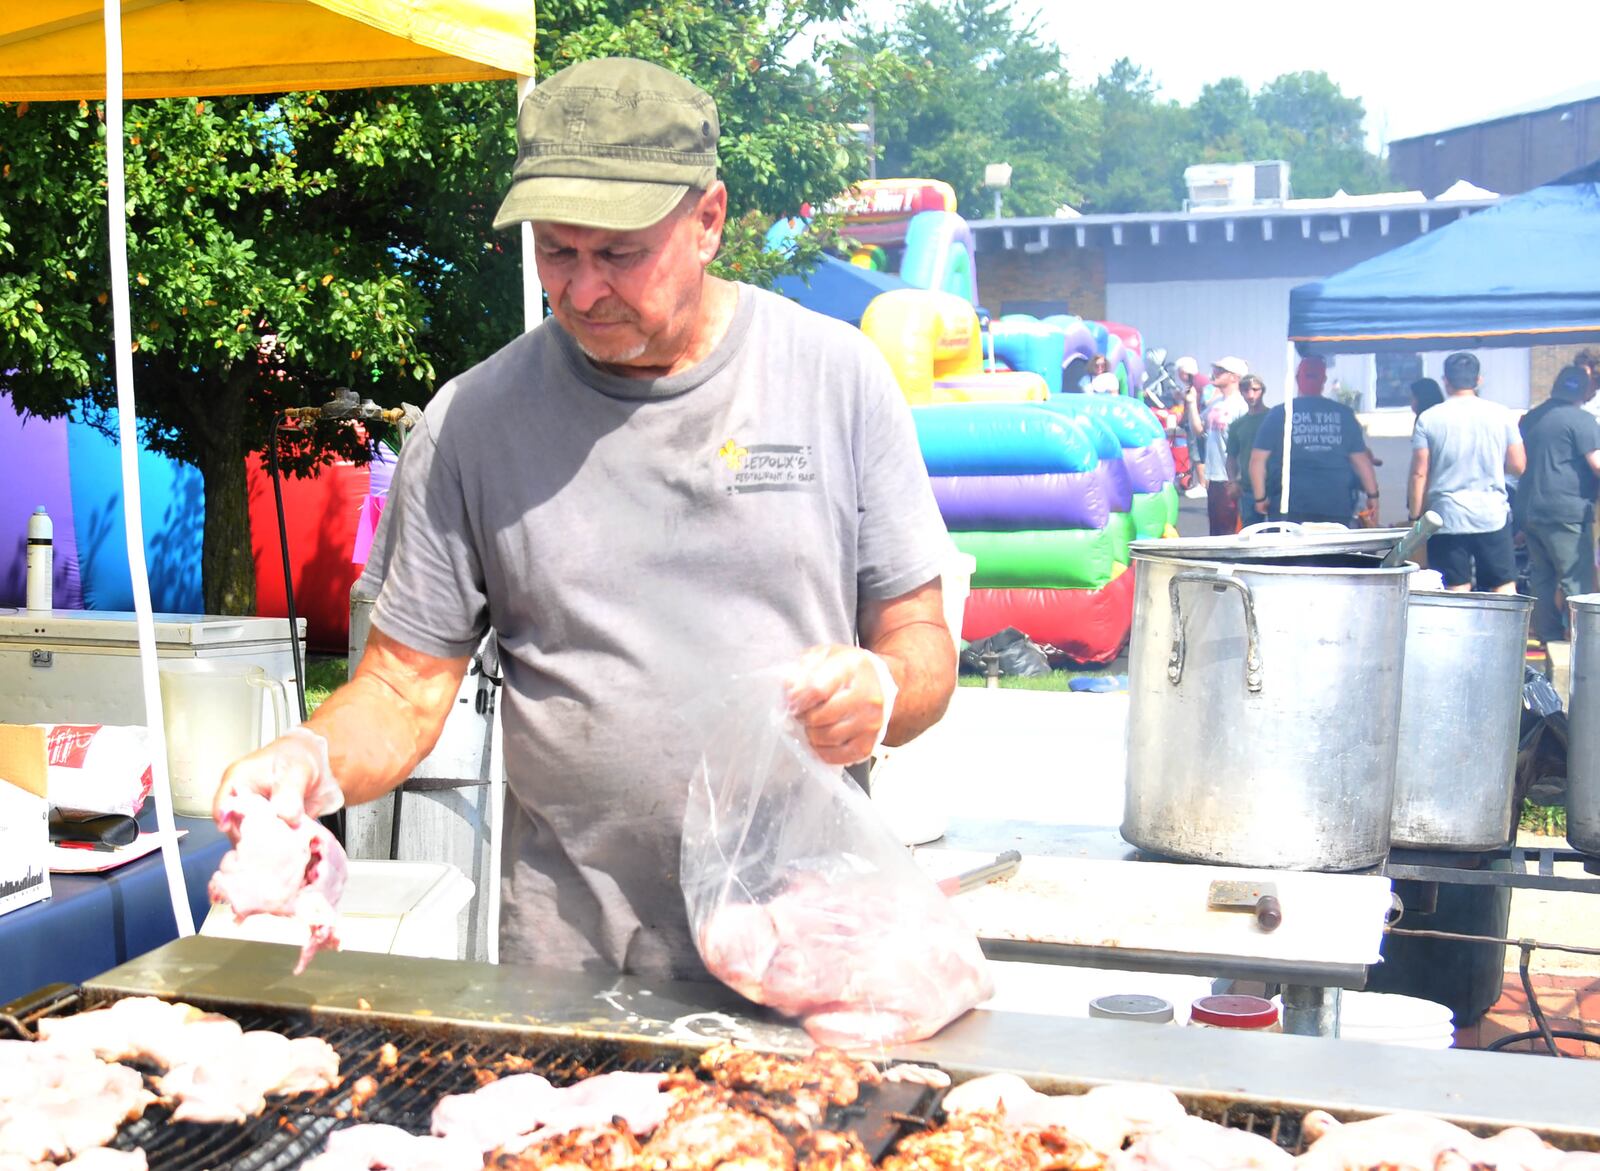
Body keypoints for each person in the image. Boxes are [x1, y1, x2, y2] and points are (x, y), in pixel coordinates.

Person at [209, 58, 957, 980]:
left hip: (809, 950)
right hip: (569, 968)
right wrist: (309, 754)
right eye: (557, 251)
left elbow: (920, 640)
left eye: (619, 253)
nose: (584, 289)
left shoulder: (835, 381)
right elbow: (402, 692)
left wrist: (881, 692)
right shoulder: (475, 424)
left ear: (709, 220)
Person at [1408, 352, 1526, 593]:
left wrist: (1415, 517)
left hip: (1446, 516)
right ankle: (1504, 632)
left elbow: (1420, 473)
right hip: (1492, 514)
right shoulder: (1502, 414)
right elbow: (1518, 465)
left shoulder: (1428, 419)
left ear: (1445, 381)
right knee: (1502, 586)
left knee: (1454, 588)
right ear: (1479, 380)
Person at [1515, 366, 1600, 642]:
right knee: (1577, 581)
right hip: (1568, 512)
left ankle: (1549, 638)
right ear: (1586, 391)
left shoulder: (1531, 418)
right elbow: (1596, 463)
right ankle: (1583, 644)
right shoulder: (1582, 420)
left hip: (1531, 509)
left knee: (1542, 577)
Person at [1248, 356, 1379, 527]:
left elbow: (1257, 461)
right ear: (1324, 380)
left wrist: (1260, 497)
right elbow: (1361, 461)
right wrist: (1373, 495)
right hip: (1336, 503)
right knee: (1334, 553)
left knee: (1293, 553)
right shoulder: (1343, 414)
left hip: (1289, 504)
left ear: (1297, 379)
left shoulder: (1280, 414)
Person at [1199, 356, 1249, 535]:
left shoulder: (1242, 405)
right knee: (1216, 530)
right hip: (1214, 477)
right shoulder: (1215, 404)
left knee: (1231, 530)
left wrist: (1238, 479)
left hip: (1230, 478)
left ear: (1234, 377)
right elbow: (1199, 428)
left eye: (1221, 370)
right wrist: (1190, 403)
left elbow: (1245, 445)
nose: (1215, 373)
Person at [1224, 374, 1268, 514]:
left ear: (1263, 391)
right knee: (1250, 533)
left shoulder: (1274, 418)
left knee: (1277, 533)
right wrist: (1233, 481)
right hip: (1247, 490)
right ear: (1241, 392)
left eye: (1255, 390)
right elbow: (1231, 456)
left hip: (1274, 489)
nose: (1251, 395)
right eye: (1246, 390)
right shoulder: (1237, 425)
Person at [1174, 356, 1211, 498]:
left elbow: (1191, 405)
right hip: (1200, 421)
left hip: (1197, 422)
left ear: (1184, 372)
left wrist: (1182, 420)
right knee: (1199, 453)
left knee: (1197, 453)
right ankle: (1200, 483)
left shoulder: (1195, 383)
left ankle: (1202, 485)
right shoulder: (1200, 381)